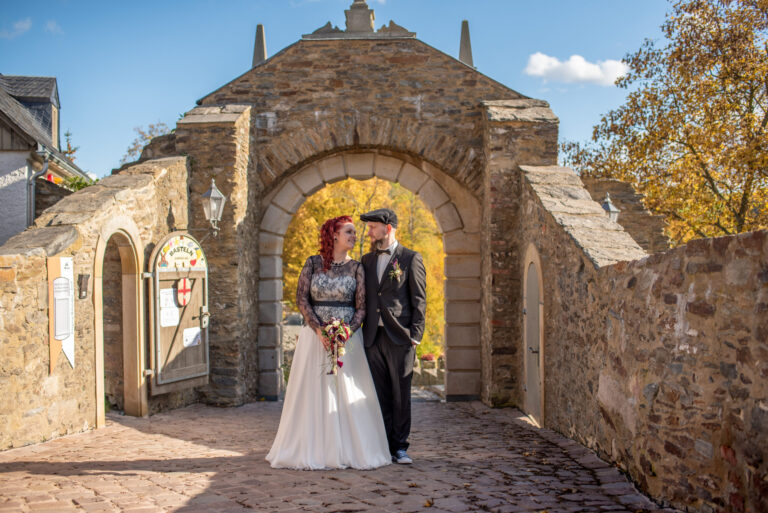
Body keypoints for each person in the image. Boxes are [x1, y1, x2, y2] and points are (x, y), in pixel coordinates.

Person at [266, 216, 391, 470]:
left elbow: (362, 307)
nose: (354, 236)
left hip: (347, 340)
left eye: (355, 232)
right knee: (313, 393)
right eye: (349, 231)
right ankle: (313, 448)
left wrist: (346, 332)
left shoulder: (357, 268)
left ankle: (350, 450)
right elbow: (302, 299)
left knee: (347, 393)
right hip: (314, 339)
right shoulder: (312, 264)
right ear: (334, 234)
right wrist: (319, 331)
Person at [359, 208, 427, 465]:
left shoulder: (410, 258)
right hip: (371, 336)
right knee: (379, 394)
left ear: (388, 228)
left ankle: (400, 447)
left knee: (401, 394)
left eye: (373, 227)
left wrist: (416, 336)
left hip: (400, 337)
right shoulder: (366, 260)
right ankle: (383, 445)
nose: (369, 231)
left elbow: (419, 299)